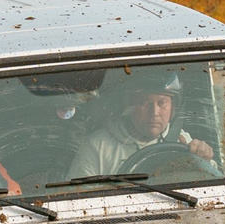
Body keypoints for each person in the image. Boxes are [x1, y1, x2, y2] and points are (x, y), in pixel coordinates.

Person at [69, 74, 216, 179]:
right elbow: (78, 198)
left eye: (162, 103)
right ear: (129, 106)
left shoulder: (182, 141)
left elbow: (213, 183)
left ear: (173, 107)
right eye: (145, 102)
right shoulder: (98, 146)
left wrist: (205, 159)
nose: (154, 113)